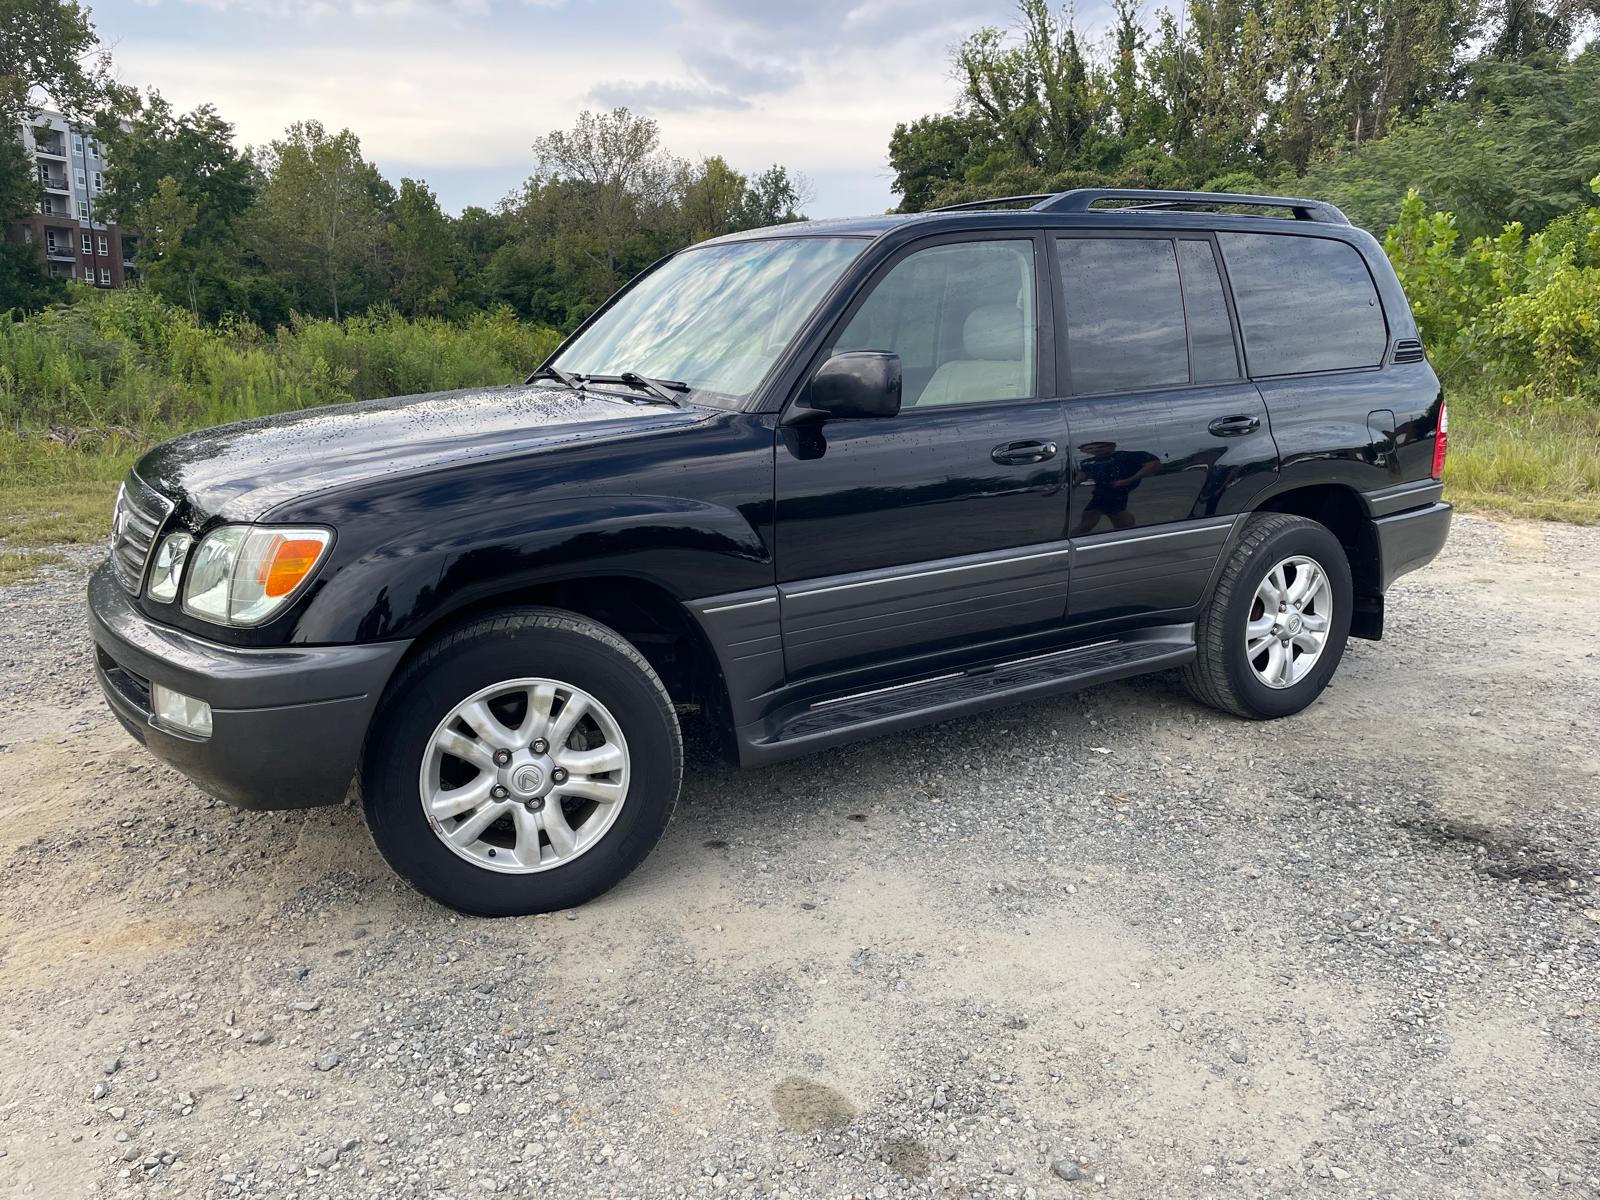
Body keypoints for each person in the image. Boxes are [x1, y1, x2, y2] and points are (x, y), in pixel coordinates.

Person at [1070, 441, 1160, 535]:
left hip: (1116, 492)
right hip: (1100, 493)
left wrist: (1128, 480)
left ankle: (1068, 538)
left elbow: (1154, 464)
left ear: (1113, 446)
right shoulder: (1087, 462)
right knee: (1115, 517)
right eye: (1090, 449)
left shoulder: (1125, 456)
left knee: (1091, 520)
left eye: (1101, 446)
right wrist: (1074, 483)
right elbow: (1084, 474)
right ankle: (1132, 537)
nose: (1096, 449)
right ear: (1084, 451)